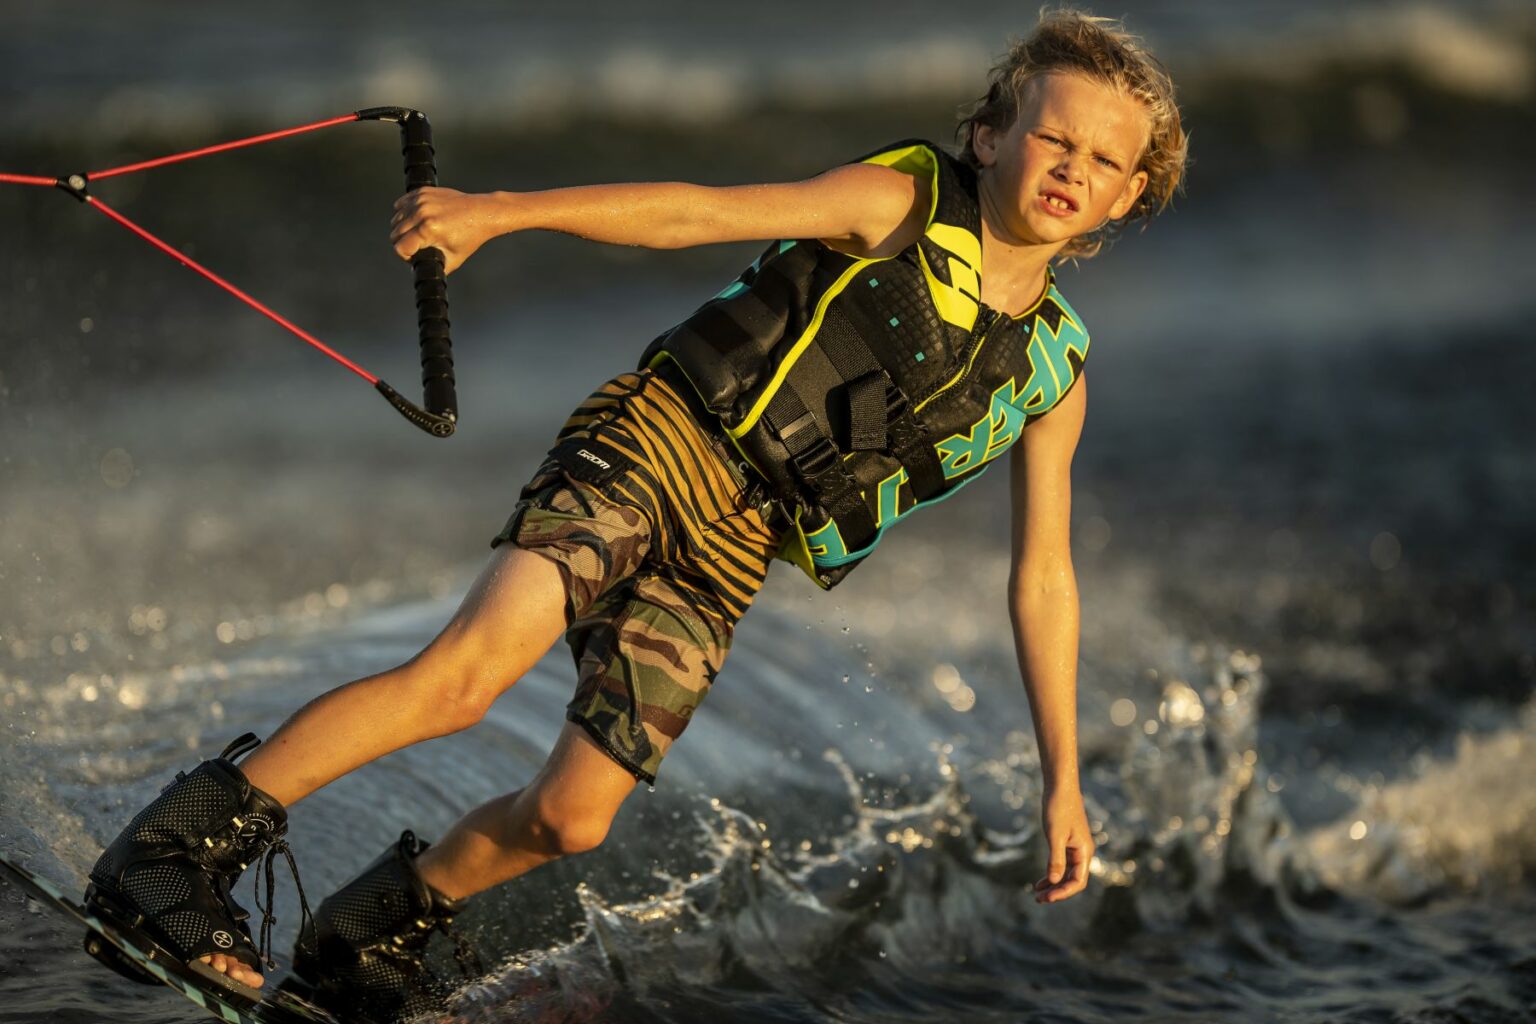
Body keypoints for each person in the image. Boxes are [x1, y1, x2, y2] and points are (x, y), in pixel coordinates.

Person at [81, 9, 1186, 1021]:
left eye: (1103, 160)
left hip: (740, 539)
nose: (1072, 169)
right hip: (667, 435)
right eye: (1054, 139)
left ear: (1131, 193)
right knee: (466, 676)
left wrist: (1063, 780)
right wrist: (499, 214)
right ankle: (172, 859)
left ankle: (368, 936)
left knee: (574, 817)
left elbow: (1044, 578)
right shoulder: (900, 204)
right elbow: (694, 213)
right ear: (991, 137)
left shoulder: (1052, 373)